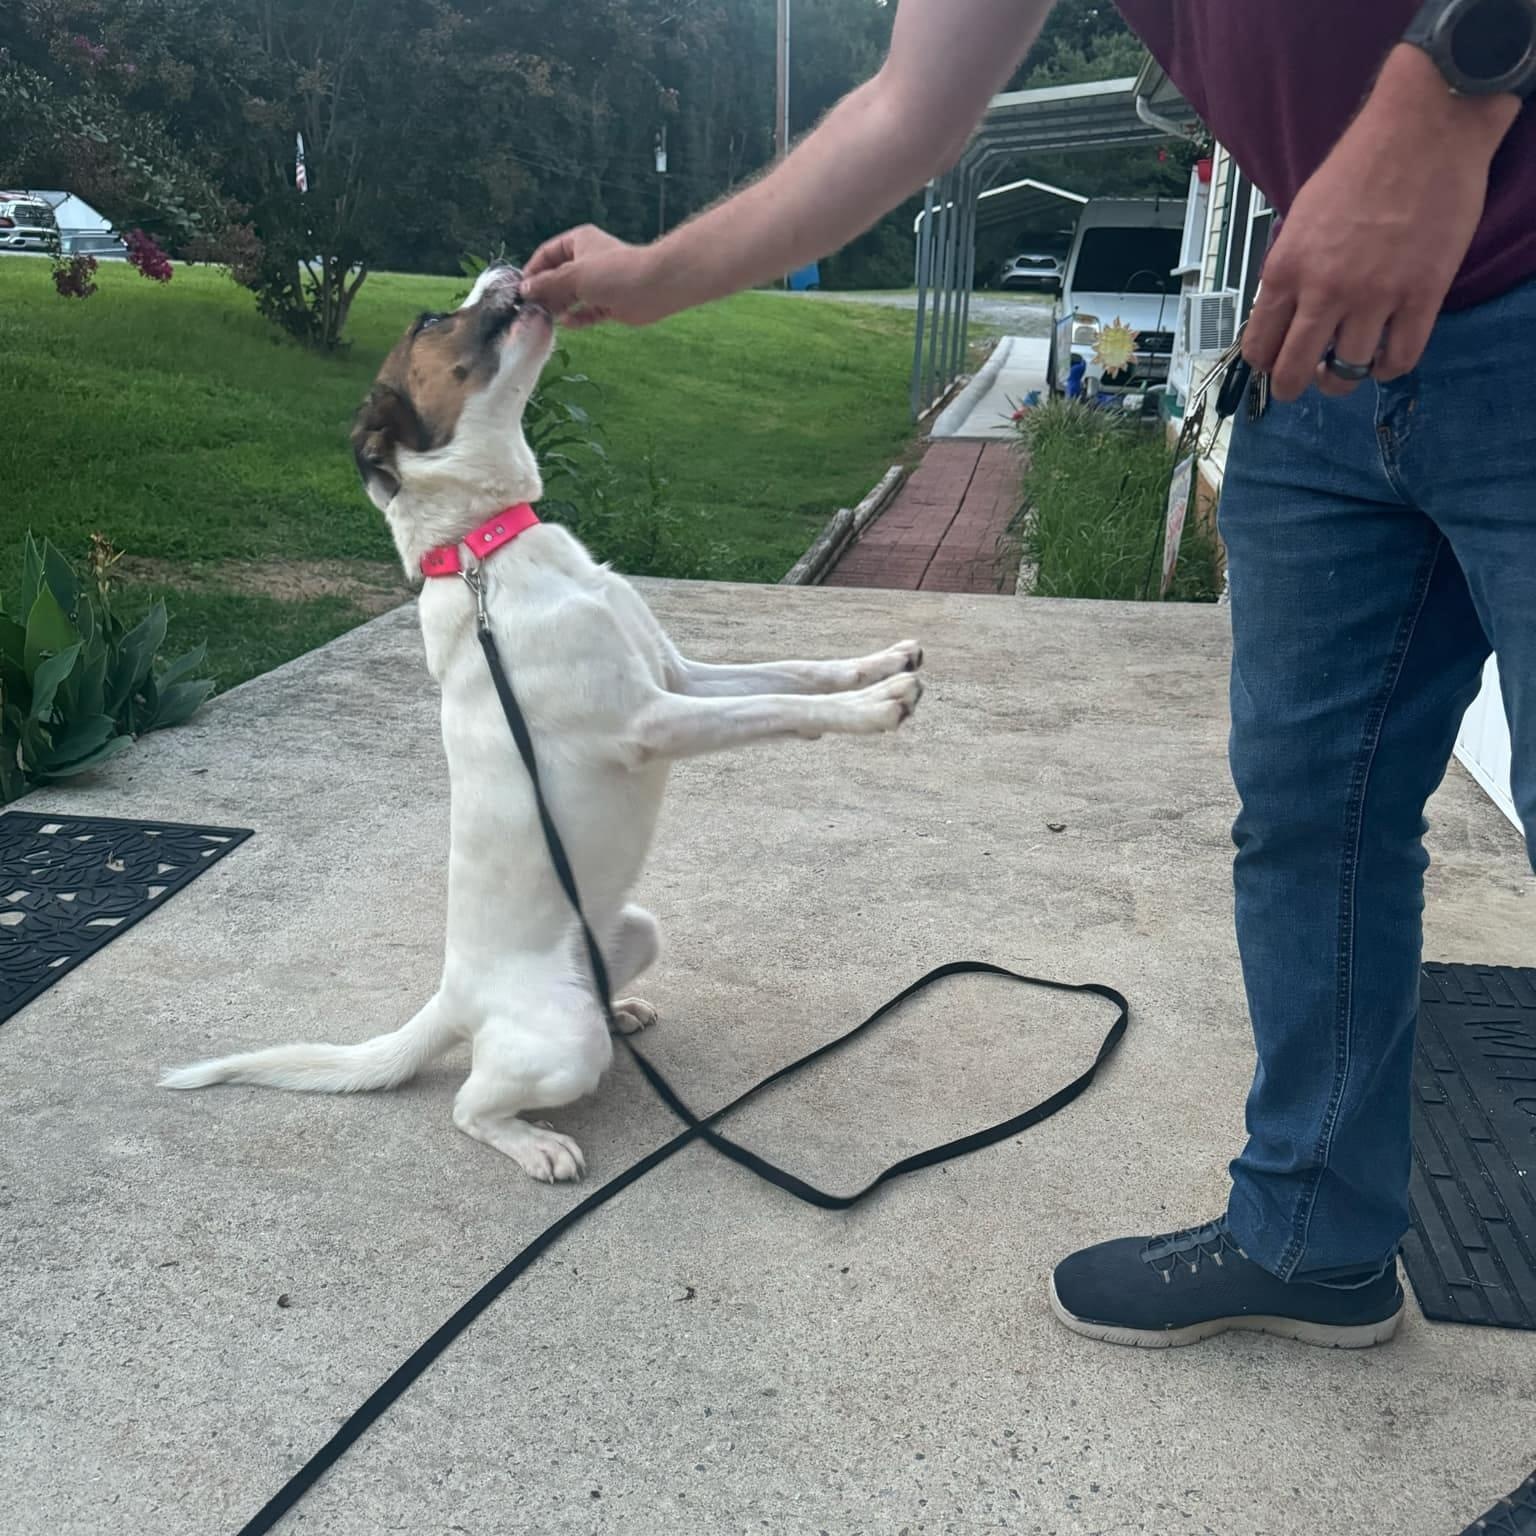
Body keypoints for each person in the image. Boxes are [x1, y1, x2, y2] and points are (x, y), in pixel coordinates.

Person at [524, 0, 1536, 1352]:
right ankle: (1311, 1234)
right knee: (1312, 822)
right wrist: (655, 274)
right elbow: (905, 109)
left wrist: (1447, 95)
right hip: (1325, 344)